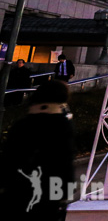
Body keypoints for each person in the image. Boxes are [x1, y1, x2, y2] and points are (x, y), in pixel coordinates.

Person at [0, 80, 75, 220]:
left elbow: (8, 159)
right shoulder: (62, 125)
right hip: (47, 194)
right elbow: (64, 161)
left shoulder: (22, 124)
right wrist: (65, 192)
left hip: (15, 192)